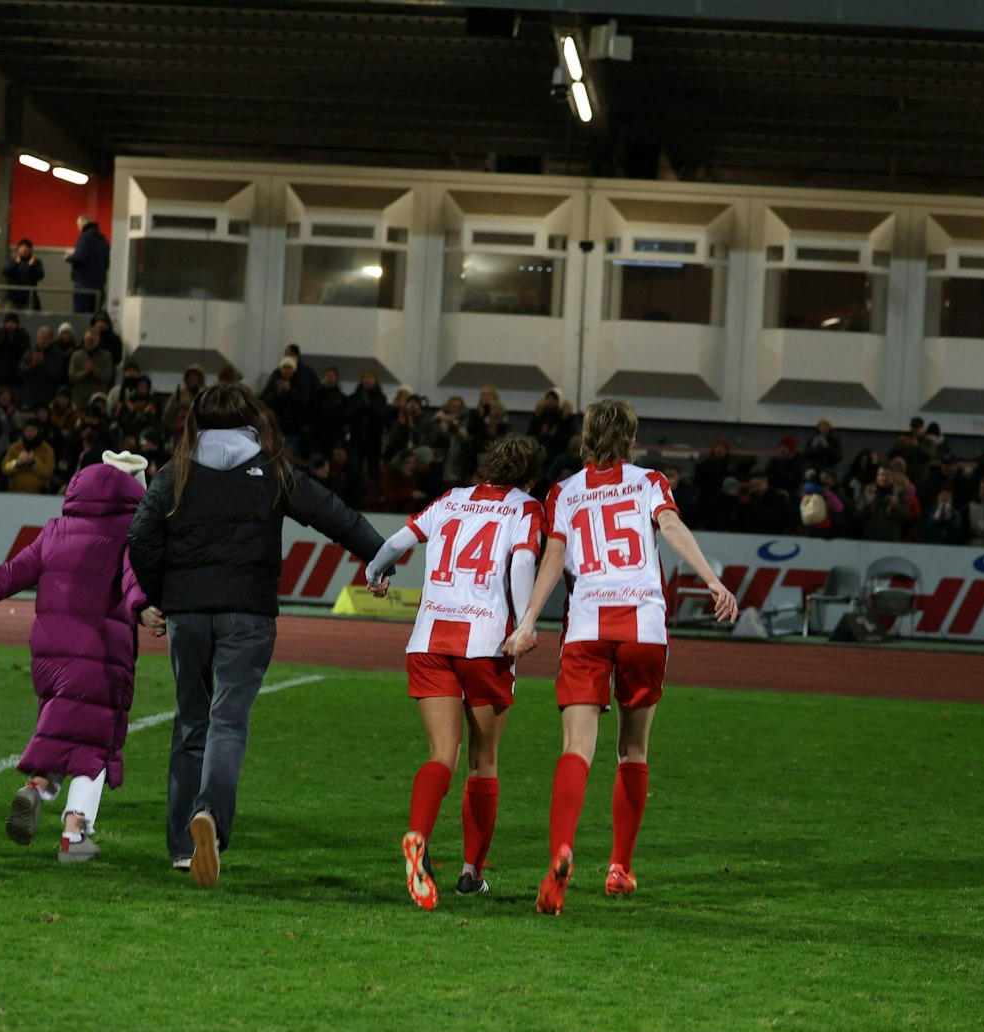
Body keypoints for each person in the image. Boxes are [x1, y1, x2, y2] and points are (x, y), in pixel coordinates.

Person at [127, 383, 384, 886]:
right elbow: (333, 513)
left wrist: (161, 592)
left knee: (190, 724)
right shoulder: (272, 471)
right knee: (228, 723)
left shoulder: (176, 473)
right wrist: (380, 556)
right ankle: (211, 821)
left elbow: (139, 536)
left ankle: (183, 846)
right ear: (251, 418)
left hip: (188, 615)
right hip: (248, 614)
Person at [502, 399, 739, 915]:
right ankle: (619, 868)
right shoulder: (649, 480)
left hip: (587, 625)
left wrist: (525, 624)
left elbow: (554, 557)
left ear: (585, 439)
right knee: (633, 751)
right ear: (631, 440)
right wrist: (713, 581)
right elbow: (671, 529)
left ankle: (562, 849)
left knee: (576, 748)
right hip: (644, 627)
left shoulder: (563, 492)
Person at [361, 433, 545, 910]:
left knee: (441, 754)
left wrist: (374, 574)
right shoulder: (526, 507)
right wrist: (525, 623)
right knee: (483, 761)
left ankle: (418, 835)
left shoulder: (451, 499)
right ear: (530, 476)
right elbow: (524, 560)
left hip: (428, 641)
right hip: (485, 643)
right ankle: (470, 872)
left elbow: (397, 543)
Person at [0, 454, 154, 862]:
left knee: (64, 732)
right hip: (99, 652)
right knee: (97, 742)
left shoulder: (55, 530)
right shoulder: (129, 532)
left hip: (47, 655)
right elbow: (134, 578)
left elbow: (13, 572)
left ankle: (37, 789)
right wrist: (145, 608)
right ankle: (74, 836)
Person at [66, 215, 110, 313]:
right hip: (99, 286)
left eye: (79, 226)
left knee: (80, 318)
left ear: (82, 225)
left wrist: (68, 258)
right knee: (94, 317)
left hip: (83, 285)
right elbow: (107, 264)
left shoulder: (84, 237)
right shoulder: (104, 240)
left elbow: (80, 257)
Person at [1, 239, 45, 310]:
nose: (24, 250)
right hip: (12, 298)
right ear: (18, 249)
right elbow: (6, 272)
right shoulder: (12, 259)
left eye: (27, 248)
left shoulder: (35, 261)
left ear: (31, 250)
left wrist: (32, 266)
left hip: (29, 299)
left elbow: (40, 276)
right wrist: (15, 263)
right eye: (22, 247)